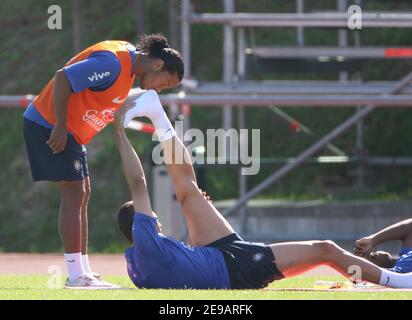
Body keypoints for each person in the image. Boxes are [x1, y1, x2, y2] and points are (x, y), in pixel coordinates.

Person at [113, 91, 412, 290]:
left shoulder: (136, 265)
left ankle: (157, 114)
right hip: (236, 268)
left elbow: (184, 269)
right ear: (143, 226)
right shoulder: (149, 241)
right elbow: (138, 182)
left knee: (188, 192)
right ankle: (397, 281)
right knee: (326, 249)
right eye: (151, 217)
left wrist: (198, 233)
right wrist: (118, 131)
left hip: (213, 253)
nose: (155, 218)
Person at [22, 34, 184, 288]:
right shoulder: (114, 63)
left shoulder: (129, 67)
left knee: (82, 192)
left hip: (69, 131)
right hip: (48, 124)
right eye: (164, 83)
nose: (159, 89)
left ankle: (83, 271)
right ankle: (76, 275)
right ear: (157, 65)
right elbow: (63, 77)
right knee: (74, 193)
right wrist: (60, 127)